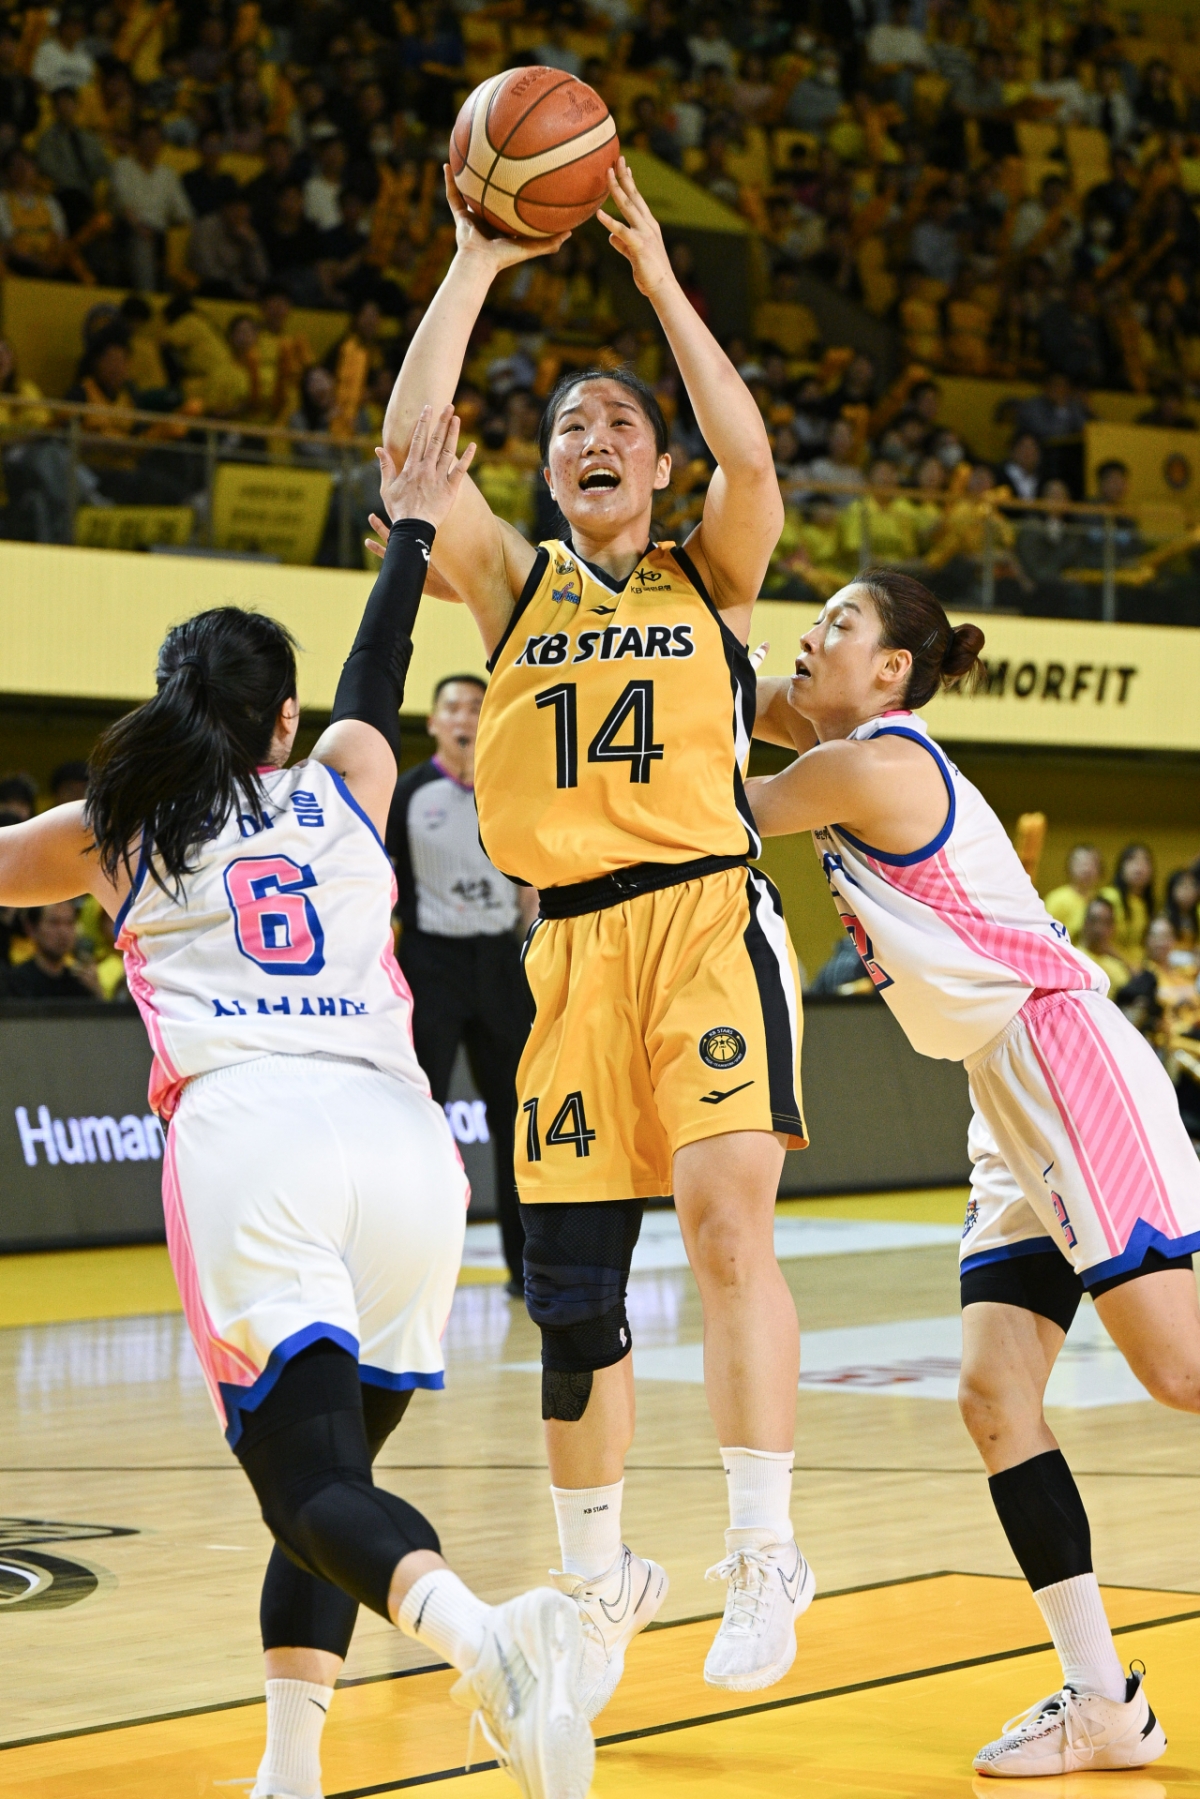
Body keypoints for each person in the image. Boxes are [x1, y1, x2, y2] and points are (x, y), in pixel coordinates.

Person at [0, 408, 594, 1799]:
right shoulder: (348, 783)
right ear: (284, 719)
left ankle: (490, 1638)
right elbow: (376, 677)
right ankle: (290, 1768)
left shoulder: (116, 826)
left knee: (310, 1488)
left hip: (254, 1137)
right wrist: (411, 536)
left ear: (166, 701)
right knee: (333, 1488)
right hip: (402, 1149)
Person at [382, 155, 809, 1714]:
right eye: (571, 425)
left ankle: (764, 1545)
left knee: (723, 1224)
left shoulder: (715, 573)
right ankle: (595, 1574)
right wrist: (476, 264)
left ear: (656, 460)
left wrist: (659, 289)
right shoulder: (515, 593)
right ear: (553, 475)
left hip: (700, 921)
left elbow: (750, 458)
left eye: (621, 422)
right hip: (560, 955)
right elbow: (409, 463)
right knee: (573, 1297)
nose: (596, 437)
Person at [744, 568, 1199, 1778]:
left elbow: (717, 791)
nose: (811, 635)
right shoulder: (845, 741)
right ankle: (1103, 1698)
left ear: (893, 668)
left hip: (1063, 1055)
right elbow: (739, 693)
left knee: (1185, 1369)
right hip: (1000, 1096)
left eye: (838, 623)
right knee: (996, 1397)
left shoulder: (875, 764)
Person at [385, 672, 537, 1296]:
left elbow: (532, 880)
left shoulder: (513, 788)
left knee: (518, 1119)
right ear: (432, 723)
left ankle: (524, 1267)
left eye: (476, 707)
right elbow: (380, 883)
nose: (464, 717)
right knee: (421, 1116)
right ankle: (406, 1265)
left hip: (499, 964)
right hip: (431, 966)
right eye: (452, 707)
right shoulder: (409, 793)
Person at [3, 901, 100, 998]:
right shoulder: (14, 983)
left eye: (70, 923)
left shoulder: (81, 984)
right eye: (54, 922)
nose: (63, 932)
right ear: (31, 929)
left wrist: (96, 992)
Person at [1100, 842, 1155, 964]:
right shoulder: (1108, 897)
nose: (1139, 867)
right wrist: (1128, 966)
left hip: (1138, 964)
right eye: (1132, 860)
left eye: (1145, 862)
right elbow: (1099, 941)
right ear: (1121, 866)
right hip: (1108, 962)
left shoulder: (1143, 904)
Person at [1044, 844, 1103, 944]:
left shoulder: (1101, 899)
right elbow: (1047, 936)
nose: (1087, 869)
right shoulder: (1056, 899)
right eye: (1081, 864)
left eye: (1092, 864)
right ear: (1069, 867)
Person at [1075, 893, 1134, 992]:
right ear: (1085, 923)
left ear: (1113, 927)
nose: (1099, 928)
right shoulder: (1072, 959)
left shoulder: (1118, 968)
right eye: (1094, 921)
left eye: (1106, 922)